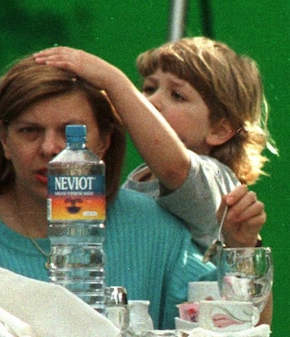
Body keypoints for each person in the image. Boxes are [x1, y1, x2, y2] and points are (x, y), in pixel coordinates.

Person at [0, 55, 218, 330]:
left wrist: (243, 244)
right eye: (30, 131)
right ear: (4, 140)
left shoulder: (155, 229)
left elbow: (229, 333)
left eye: (71, 134)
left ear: (105, 141)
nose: (50, 148)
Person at [33, 38, 272, 252]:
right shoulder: (140, 177)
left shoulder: (215, 179)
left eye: (177, 95)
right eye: (148, 88)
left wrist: (112, 80)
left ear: (219, 129)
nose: (152, 102)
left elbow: (175, 167)